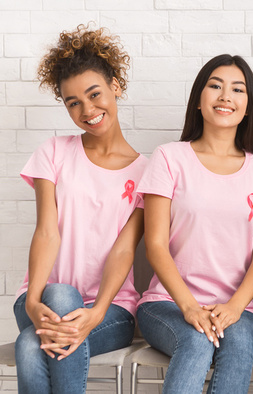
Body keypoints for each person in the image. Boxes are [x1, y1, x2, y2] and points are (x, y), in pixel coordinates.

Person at [13, 24, 147, 393]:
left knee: (29, 345)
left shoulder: (147, 173)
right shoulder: (53, 153)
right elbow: (46, 231)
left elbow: (124, 249)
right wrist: (34, 302)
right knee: (59, 295)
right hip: (39, 298)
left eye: (95, 94)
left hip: (111, 311)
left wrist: (98, 311)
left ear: (115, 86)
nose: (88, 110)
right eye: (74, 103)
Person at [135, 54, 253, 394]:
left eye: (237, 89)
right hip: (167, 303)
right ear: (199, 100)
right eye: (215, 86)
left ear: (248, 106)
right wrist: (188, 306)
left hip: (239, 308)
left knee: (239, 346)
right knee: (197, 341)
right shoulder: (170, 157)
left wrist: (234, 307)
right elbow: (155, 245)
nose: (225, 96)